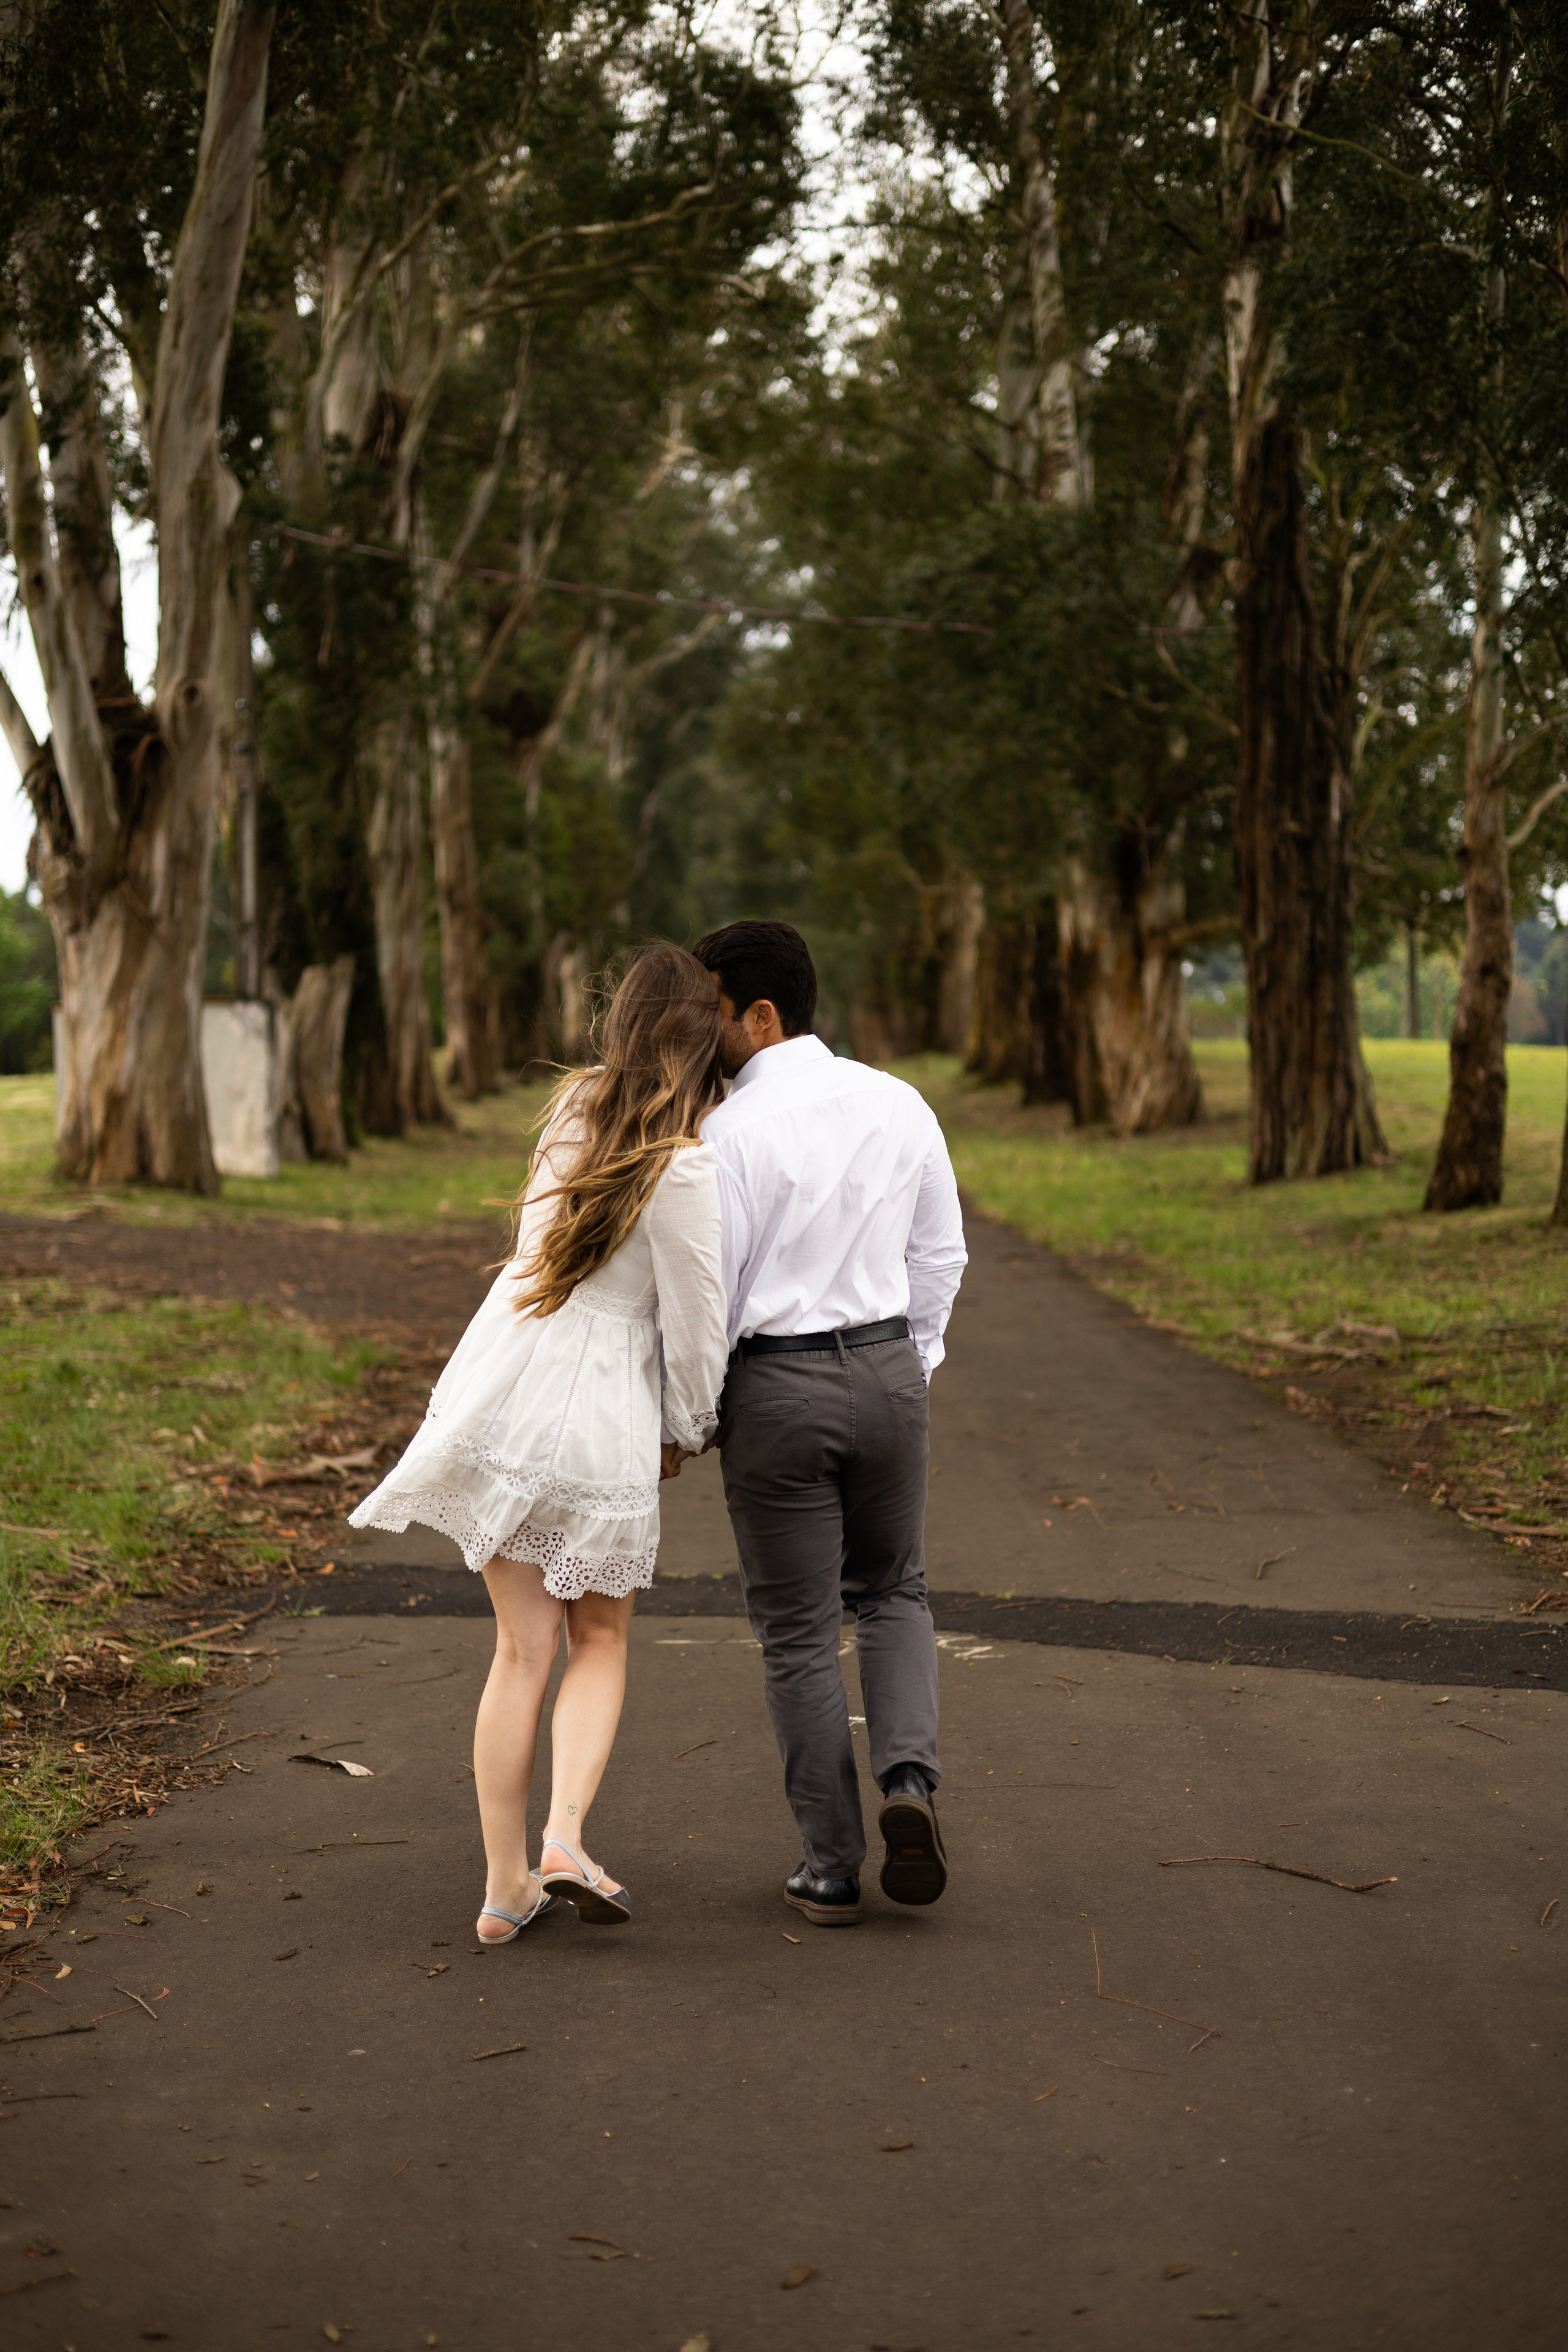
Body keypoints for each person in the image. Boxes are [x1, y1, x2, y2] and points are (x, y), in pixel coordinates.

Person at [349, 943, 729, 1944]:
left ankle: (502, 1885)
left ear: (620, 1024)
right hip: (604, 1410)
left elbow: (533, 1247)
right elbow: (696, 1331)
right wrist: (687, 1431)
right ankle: (564, 1836)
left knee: (522, 1649)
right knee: (599, 1637)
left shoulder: (572, 1109)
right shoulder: (688, 1167)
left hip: (513, 1381)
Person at [692, 919, 968, 1926]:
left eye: (710, 1015)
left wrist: (696, 1416)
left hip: (777, 1388)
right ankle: (909, 1787)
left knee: (800, 1634)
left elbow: (707, 1298)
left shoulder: (724, 1137)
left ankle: (831, 1866)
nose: (699, 1037)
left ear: (760, 1016)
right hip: (891, 1368)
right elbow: (941, 1256)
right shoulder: (898, 1102)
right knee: (895, 1591)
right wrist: (911, 1363)